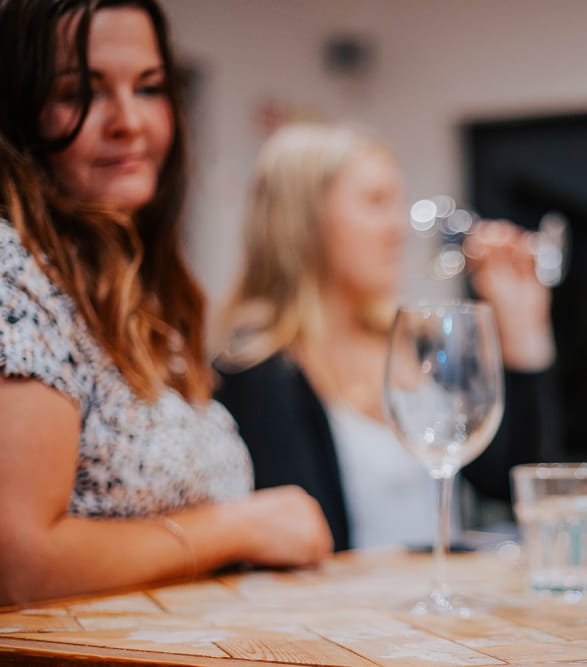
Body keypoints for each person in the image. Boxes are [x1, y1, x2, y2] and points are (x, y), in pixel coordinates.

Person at [0, 0, 332, 606]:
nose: (129, 120)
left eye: (150, 88)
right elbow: (19, 562)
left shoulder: (124, 280)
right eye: (80, 92)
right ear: (19, 112)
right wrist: (239, 526)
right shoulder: (12, 269)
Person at [214, 123, 562, 551]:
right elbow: (306, 551)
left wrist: (523, 327)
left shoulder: (415, 344)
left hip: (441, 608)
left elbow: (512, 485)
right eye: (376, 202)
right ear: (303, 221)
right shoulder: (258, 374)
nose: (399, 229)